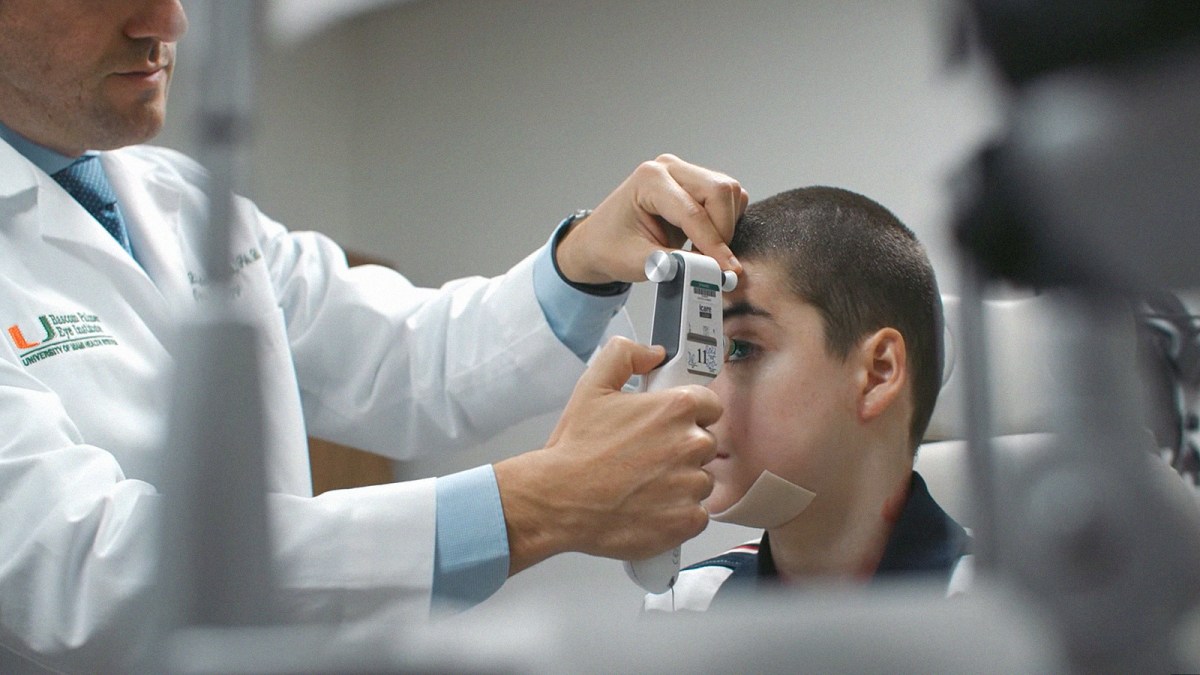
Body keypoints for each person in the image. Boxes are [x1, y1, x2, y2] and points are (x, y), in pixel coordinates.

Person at [0, 1, 749, 670]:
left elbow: (404, 355)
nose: (168, 23)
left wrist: (581, 262)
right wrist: (532, 505)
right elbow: (85, 574)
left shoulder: (180, 199)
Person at [644, 186, 971, 613]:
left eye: (741, 349)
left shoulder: (1012, 619)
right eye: (703, 357)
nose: (695, 396)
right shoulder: (684, 606)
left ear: (877, 373)